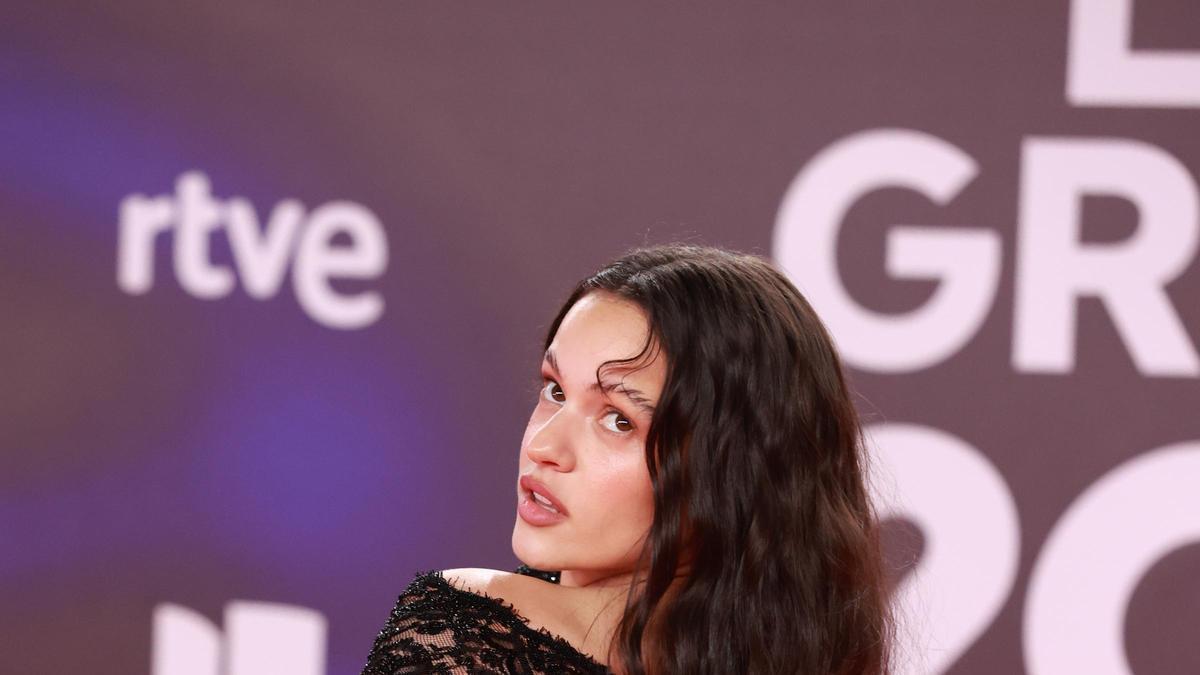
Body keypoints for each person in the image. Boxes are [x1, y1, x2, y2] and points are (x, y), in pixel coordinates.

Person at [361, 244, 893, 675]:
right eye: (554, 390)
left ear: (730, 473)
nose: (544, 447)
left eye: (619, 419)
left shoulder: (468, 631)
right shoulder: (815, 653)